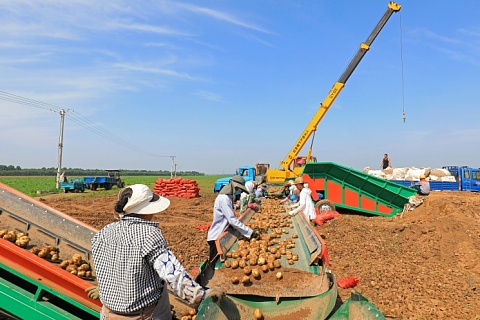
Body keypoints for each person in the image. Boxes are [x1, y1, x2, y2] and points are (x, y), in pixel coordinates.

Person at [89, 184, 223, 320]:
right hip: (145, 316)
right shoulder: (149, 234)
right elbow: (172, 273)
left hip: (108, 315)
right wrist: (200, 295)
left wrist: (106, 291)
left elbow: (107, 268)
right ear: (146, 211)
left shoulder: (103, 233)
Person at [207, 176, 259, 264]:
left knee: (216, 261)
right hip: (217, 236)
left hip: (223, 233)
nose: (239, 191)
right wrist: (250, 232)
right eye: (239, 188)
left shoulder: (228, 196)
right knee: (213, 263)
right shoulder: (224, 198)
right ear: (234, 186)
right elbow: (232, 220)